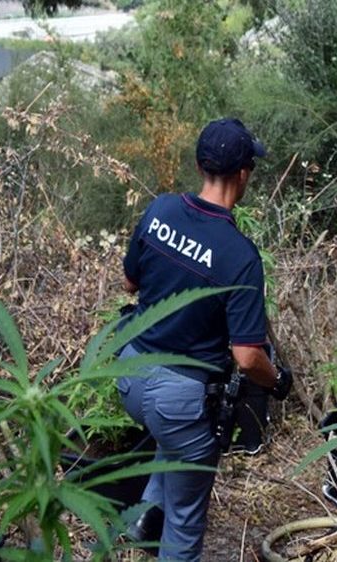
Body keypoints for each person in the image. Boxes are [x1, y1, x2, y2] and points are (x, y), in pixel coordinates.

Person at [116, 118, 293, 561]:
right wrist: (279, 382)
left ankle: (142, 516)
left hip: (130, 376)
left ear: (199, 164)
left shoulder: (160, 211)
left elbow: (128, 283)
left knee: (168, 433)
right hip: (177, 398)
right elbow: (248, 356)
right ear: (244, 174)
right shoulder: (239, 256)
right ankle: (163, 531)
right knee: (185, 524)